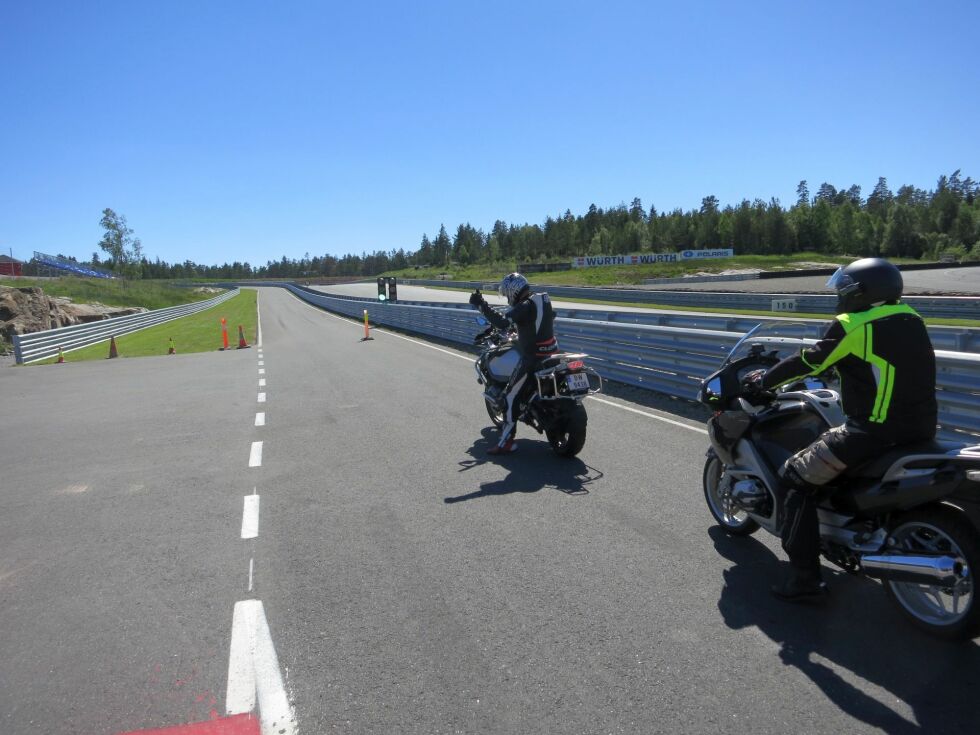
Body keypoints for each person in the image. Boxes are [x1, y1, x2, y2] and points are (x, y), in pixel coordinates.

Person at [742, 257, 938, 601]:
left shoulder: (852, 324)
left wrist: (764, 381)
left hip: (872, 431)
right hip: (920, 428)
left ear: (858, 293)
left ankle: (805, 578)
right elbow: (878, 362)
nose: (839, 297)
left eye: (843, 290)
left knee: (794, 478)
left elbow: (809, 360)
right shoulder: (910, 317)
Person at [469, 273, 558, 454]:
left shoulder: (525, 306)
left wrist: (481, 304)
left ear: (513, 291)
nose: (507, 297)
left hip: (533, 358)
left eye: (507, 293)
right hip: (552, 354)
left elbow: (502, 322)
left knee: (510, 397)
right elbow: (539, 321)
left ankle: (507, 442)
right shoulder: (543, 300)